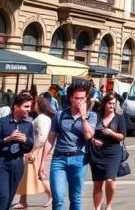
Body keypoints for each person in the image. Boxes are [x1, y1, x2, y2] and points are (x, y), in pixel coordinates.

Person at [40, 82, 98, 210]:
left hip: (79, 159)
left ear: (86, 98)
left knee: (75, 198)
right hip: (59, 159)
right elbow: (50, 139)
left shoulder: (91, 115)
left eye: (82, 98)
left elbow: (89, 135)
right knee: (58, 199)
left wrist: (83, 117)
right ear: (71, 98)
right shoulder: (60, 115)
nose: (79, 102)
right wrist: (42, 162)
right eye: (77, 98)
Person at [0, 93, 35, 210]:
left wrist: (25, 140)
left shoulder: (28, 125)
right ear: (16, 107)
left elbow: (29, 147)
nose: (29, 109)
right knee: (3, 197)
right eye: (26, 106)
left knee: (7, 202)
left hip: (17, 165)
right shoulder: (1, 122)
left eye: (30, 106)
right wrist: (8, 139)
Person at [15, 95, 54, 209]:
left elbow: (41, 137)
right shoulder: (45, 117)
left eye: (34, 103)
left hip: (37, 149)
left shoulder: (41, 118)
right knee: (27, 175)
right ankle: (23, 200)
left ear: (39, 104)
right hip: (38, 149)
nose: (32, 106)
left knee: (39, 175)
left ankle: (51, 195)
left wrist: (32, 151)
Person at [90, 92, 127, 210]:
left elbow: (122, 136)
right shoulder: (96, 116)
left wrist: (112, 133)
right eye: (110, 103)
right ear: (104, 104)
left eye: (114, 104)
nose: (112, 106)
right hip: (97, 152)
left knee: (110, 180)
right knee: (98, 182)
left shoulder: (119, 118)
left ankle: (109, 205)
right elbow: (89, 133)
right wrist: (93, 140)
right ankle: (97, 208)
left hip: (113, 152)